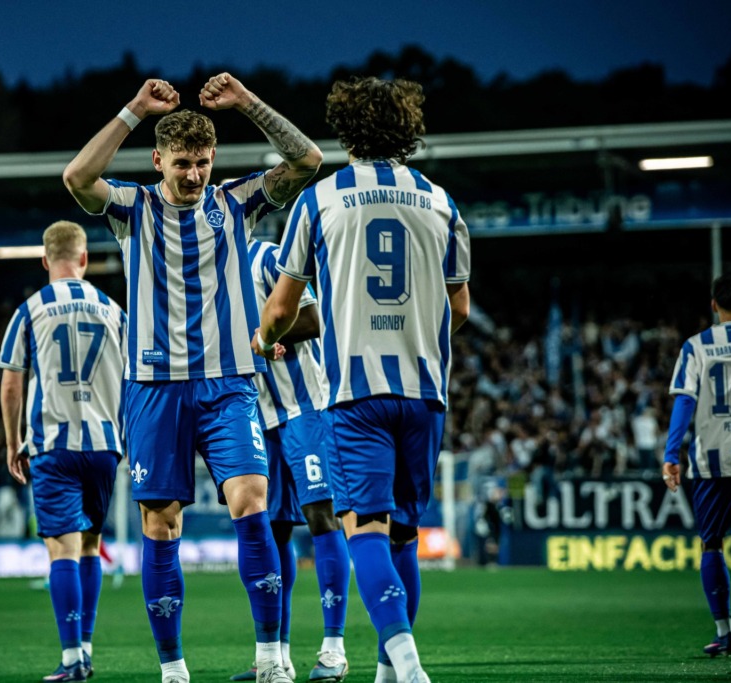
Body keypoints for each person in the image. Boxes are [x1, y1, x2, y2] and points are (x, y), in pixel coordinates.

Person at [62, 74, 323, 683]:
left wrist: (246, 102)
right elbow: (76, 178)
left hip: (228, 383)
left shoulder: (237, 201)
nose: (194, 175)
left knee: (251, 504)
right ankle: (173, 669)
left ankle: (270, 661)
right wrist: (133, 109)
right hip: (154, 389)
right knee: (162, 525)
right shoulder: (132, 207)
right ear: (158, 161)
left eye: (203, 162)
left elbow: (307, 160)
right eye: (182, 163)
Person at [252, 76, 471, 683]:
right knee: (405, 535)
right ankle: (386, 672)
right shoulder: (441, 202)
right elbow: (459, 307)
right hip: (424, 392)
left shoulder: (319, 200)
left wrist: (264, 341)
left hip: (354, 394)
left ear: (346, 130)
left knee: (366, 531)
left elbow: (281, 309)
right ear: (408, 131)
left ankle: (409, 665)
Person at [0, 220, 127, 682]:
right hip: (104, 446)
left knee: (61, 550)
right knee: (91, 544)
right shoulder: (113, 310)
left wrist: (12, 441)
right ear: (85, 259)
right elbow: (134, 379)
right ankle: (85, 648)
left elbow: (11, 384)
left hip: (53, 445)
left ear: (44, 260)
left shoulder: (30, 310)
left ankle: (72, 658)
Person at [230, 239, 351, 682]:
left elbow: (314, 318)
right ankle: (275, 657)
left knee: (321, 515)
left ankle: (334, 650)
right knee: (272, 527)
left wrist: (265, 335)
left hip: (306, 407)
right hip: (259, 414)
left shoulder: (267, 256)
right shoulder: (208, 271)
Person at [662, 270, 731, 658]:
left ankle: (724, 633)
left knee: (711, 544)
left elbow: (685, 400)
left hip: (713, 459)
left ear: (714, 305)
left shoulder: (697, 346)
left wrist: (670, 454)